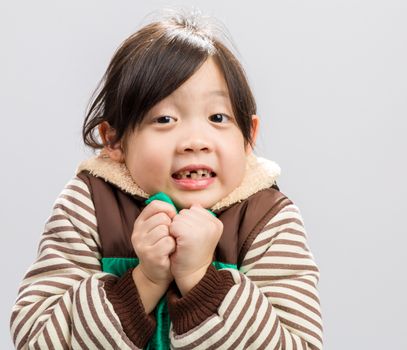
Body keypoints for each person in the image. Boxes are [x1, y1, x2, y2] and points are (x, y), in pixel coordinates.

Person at [10, 9, 323, 349]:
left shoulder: (268, 220)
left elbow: (299, 344)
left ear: (249, 136)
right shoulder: (88, 207)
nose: (195, 141)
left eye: (217, 117)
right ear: (113, 140)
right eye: (164, 119)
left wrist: (201, 281)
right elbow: (37, 340)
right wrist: (142, 281)